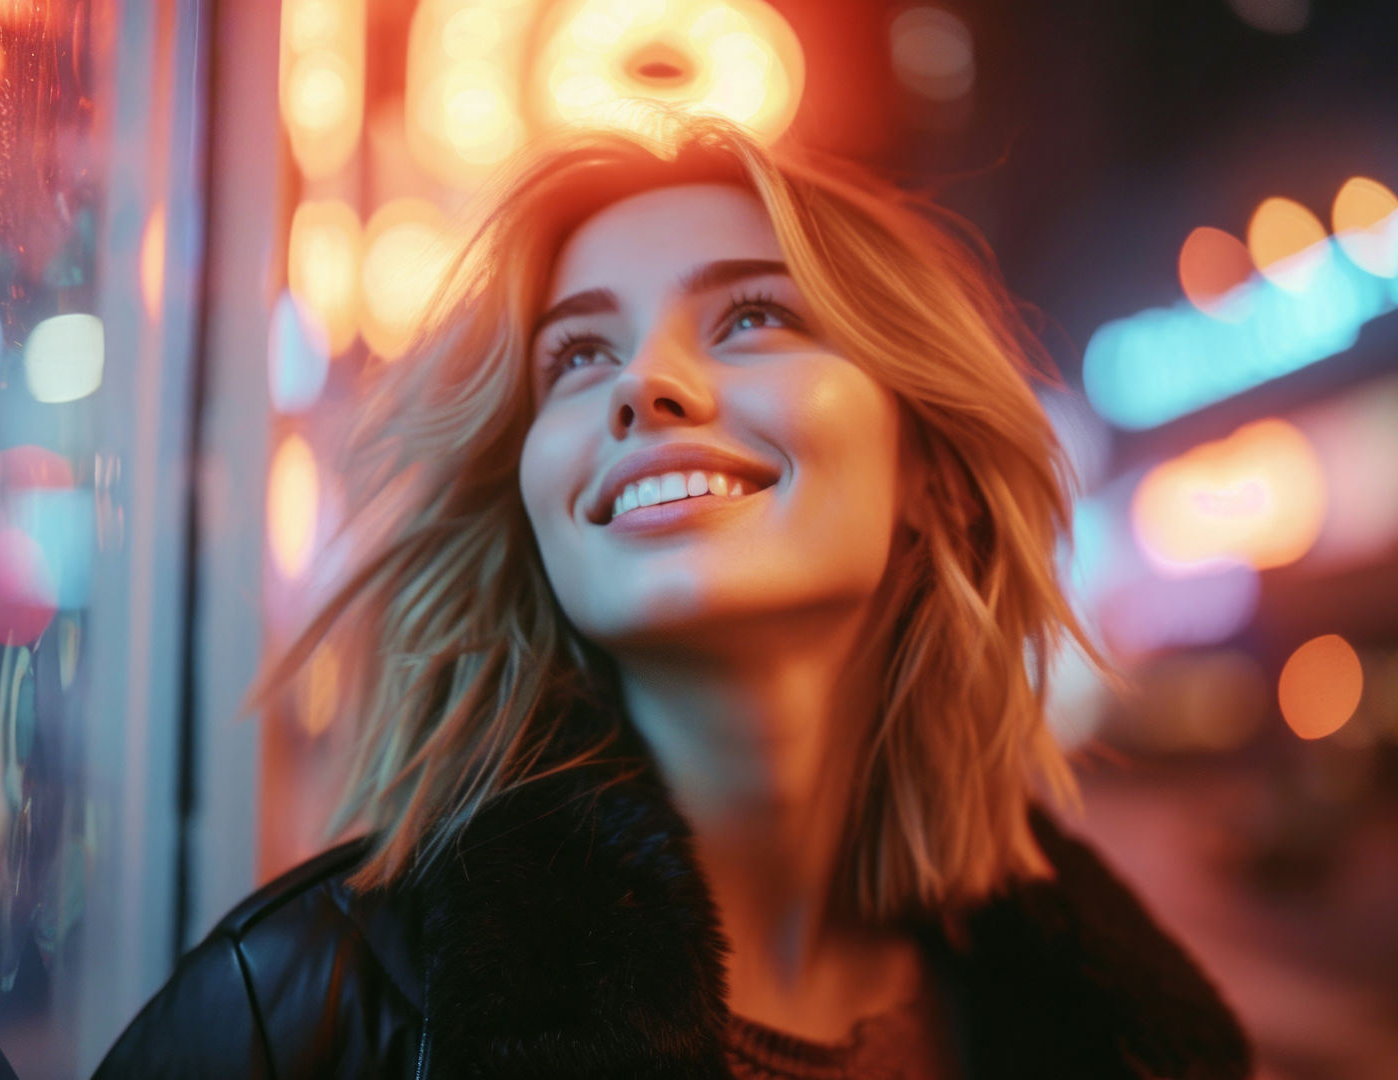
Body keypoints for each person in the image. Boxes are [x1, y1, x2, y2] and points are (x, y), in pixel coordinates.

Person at [94, 106, 1251, 1078]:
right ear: (531, 501)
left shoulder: (1133, 1032)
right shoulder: (299, 1006)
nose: (645, 384)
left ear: (933, 478)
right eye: (577, 357)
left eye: (754, 317)